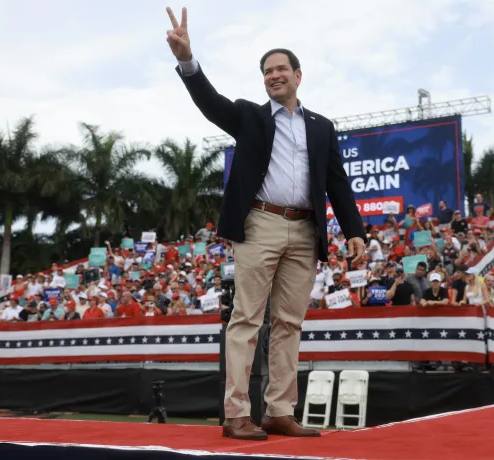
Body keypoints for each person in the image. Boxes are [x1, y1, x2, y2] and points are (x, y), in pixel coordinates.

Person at [165, 7, 366, 441]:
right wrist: (187, 61)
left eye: (281, 69)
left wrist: (355, 231)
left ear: (298, 75)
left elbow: (337, 182)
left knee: (290, 324)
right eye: (267, 71)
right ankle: (237, 413)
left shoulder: (322, 127)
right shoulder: (250, 117)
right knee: (247, 319)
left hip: (305, 231)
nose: (274, 76)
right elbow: (211, 104)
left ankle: (279, 411)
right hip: (260, 225)